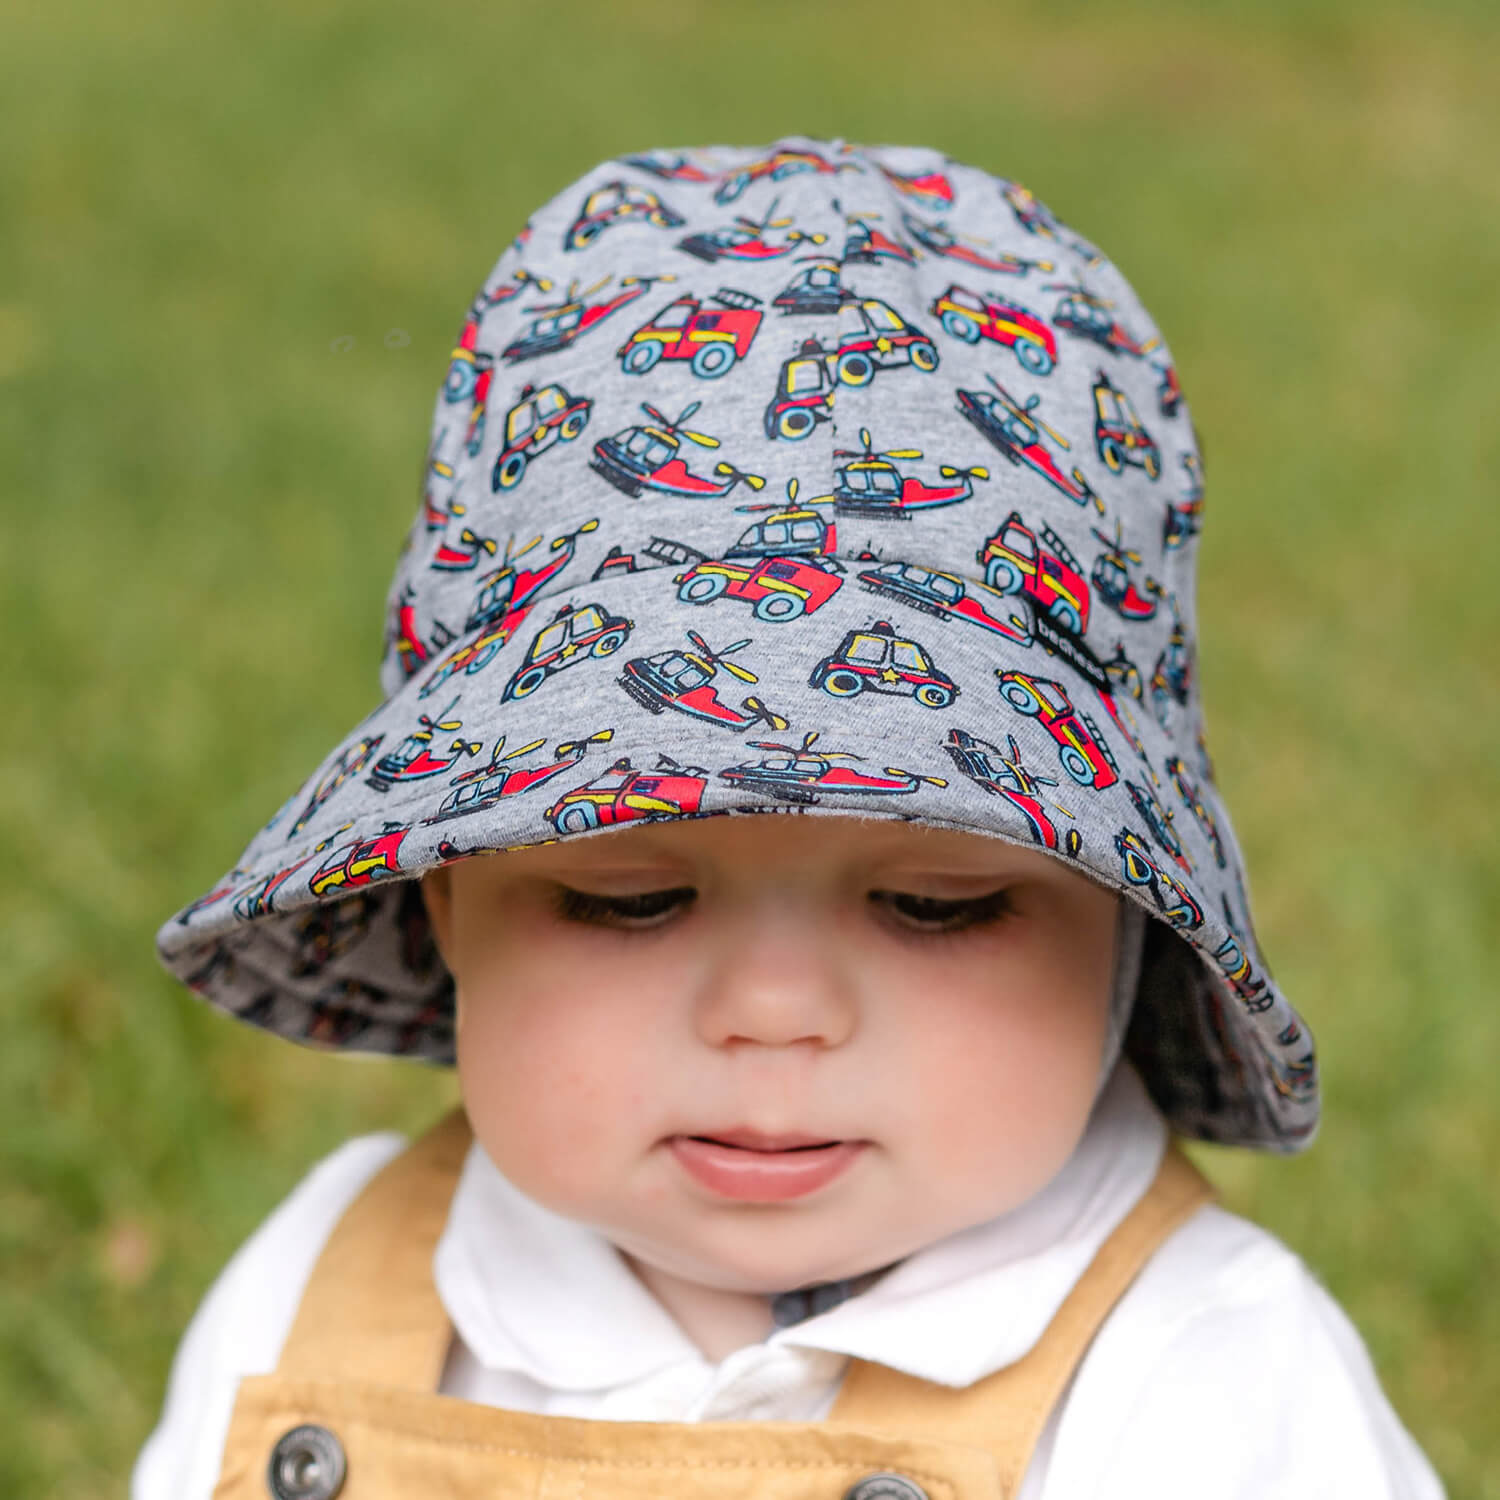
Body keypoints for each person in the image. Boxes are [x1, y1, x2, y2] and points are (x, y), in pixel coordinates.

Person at [136, 138, 1445, 1499]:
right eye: (628, 896)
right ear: (445, 899)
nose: (773, 1008)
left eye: (938, 905)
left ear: (1127, 924)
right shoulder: (315, 1305)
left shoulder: (1208, 1382)